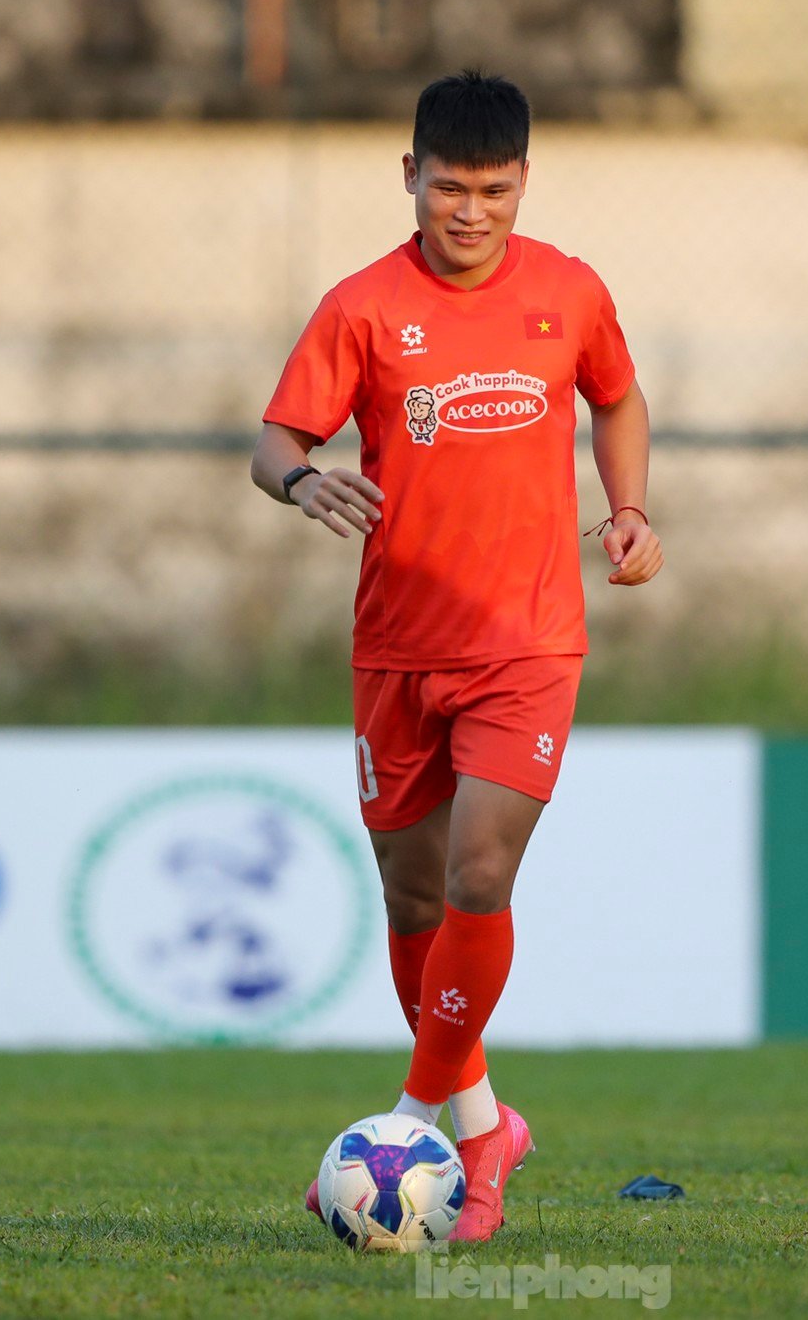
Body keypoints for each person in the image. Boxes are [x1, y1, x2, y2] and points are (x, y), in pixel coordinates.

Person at [252, 70, 663, 1244]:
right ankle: (486, 1124)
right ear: (410, 178)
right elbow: (273, 438)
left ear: (523, 183)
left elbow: (620, 401)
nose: (470, 211)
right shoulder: (363, 307)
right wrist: (301, 475)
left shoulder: (570, 292)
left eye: (492, 189)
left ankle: (410, 1121)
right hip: (396, 644)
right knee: (414, 893)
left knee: (482, 875)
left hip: (526, 640)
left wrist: (628, 505)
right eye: (448, 187)